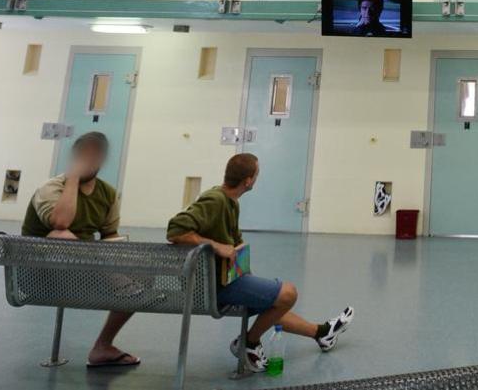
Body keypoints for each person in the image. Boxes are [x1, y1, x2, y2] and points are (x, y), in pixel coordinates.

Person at [167, 153, 354, 373]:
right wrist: (216, 246)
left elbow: (233, 243)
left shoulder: (231, 203)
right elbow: (175, 230)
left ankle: (322, 333)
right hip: (213, 288)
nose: (257, 178)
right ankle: (249, 343)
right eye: (256, 174)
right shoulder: (215, 200)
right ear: (248, 180)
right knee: (287, 294)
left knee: (274, 301)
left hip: (227, 279)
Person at [21, 131, 140, 369]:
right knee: (59, 235)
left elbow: (110, 236)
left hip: (83, 271)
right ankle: (119, 281)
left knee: (138, 279)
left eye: (95, 156)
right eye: (84, 155)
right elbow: (61, 224)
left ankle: (103, 347)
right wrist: (73, 178)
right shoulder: (50, 189)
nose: (90, 160)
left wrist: (125, 257)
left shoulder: (108, 194)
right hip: (41, 274)